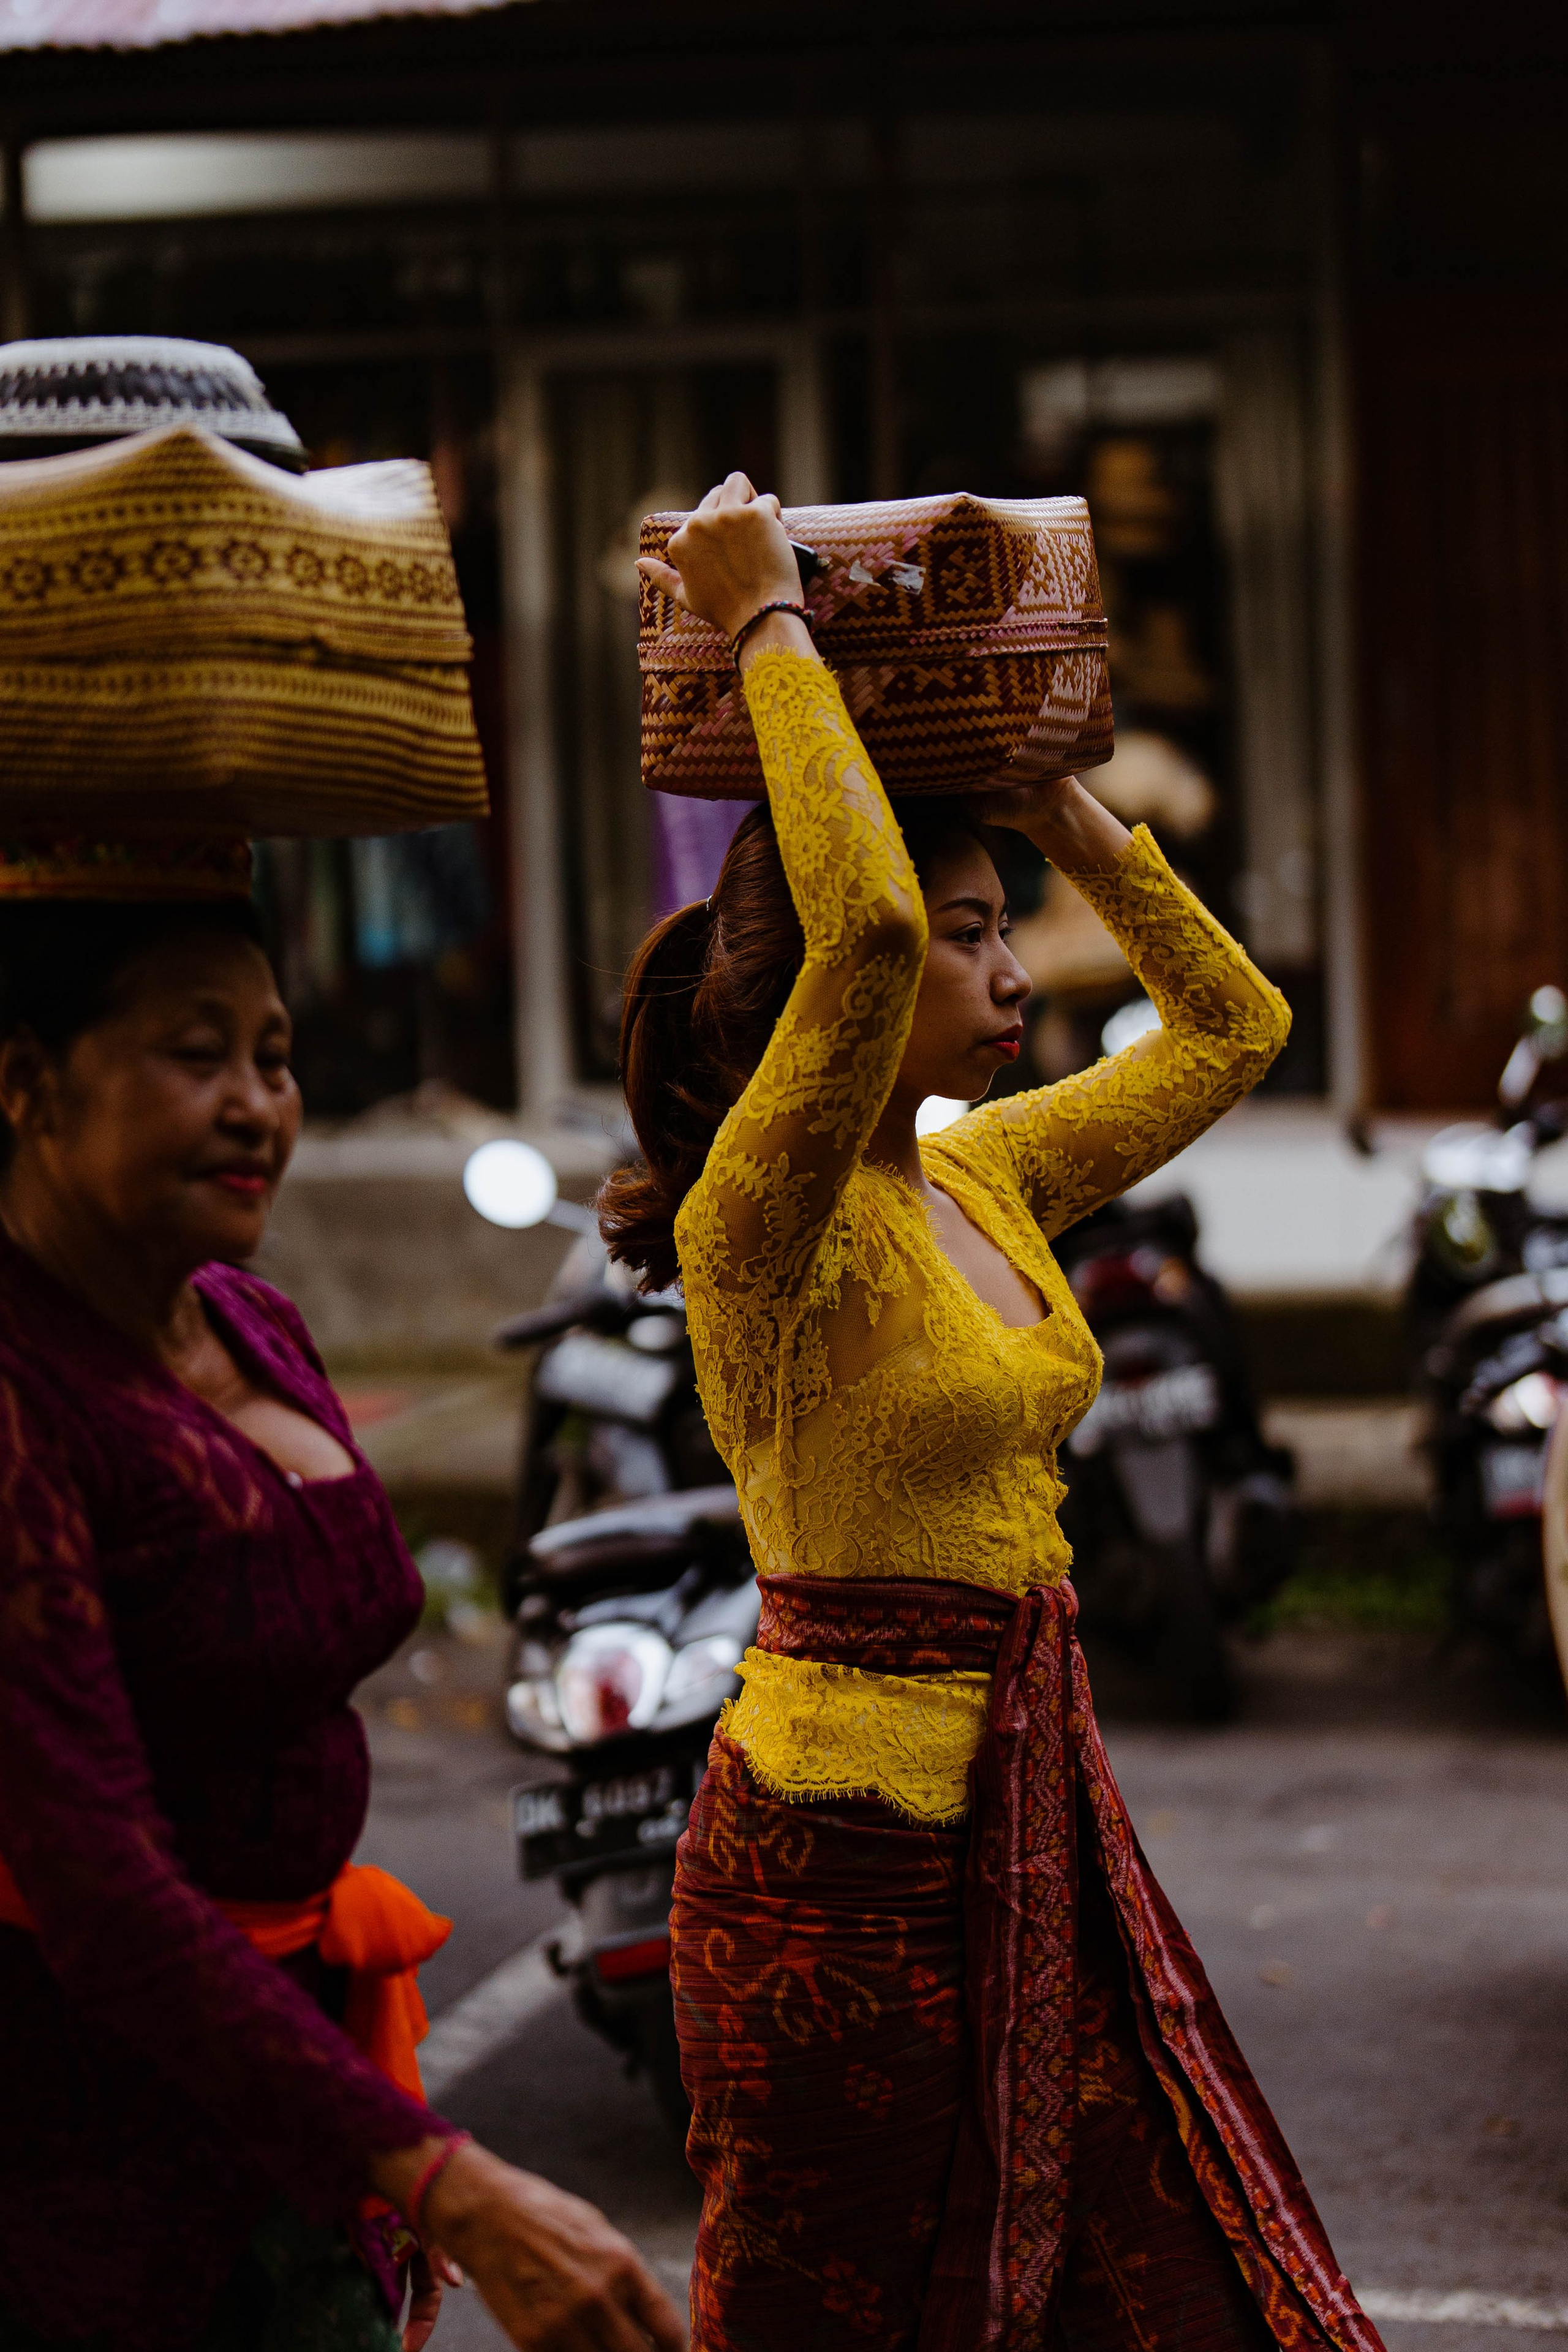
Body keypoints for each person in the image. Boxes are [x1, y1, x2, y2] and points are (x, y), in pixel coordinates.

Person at [605, 473, 1384, 2352]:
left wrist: (1049, 799)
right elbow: (860, 928)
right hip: (833, 1871)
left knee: (1155, 2289)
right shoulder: (760, 1227)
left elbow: (1231, 1027)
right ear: (817, 989)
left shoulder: (981, 1182)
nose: (1013, 969)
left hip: (1014, 1829)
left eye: (1001, 927)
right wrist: (770, 621)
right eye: (979, 932)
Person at [0, 877, 685, 2352]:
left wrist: (362, 2142)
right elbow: (99, 1890)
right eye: (198, 1055)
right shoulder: (19, 1392)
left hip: (289, 2091)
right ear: (25, 1083)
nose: (258, 1104)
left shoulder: (251, 1318)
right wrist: (443, 2179)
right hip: (73, 2140)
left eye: (277, 1053)